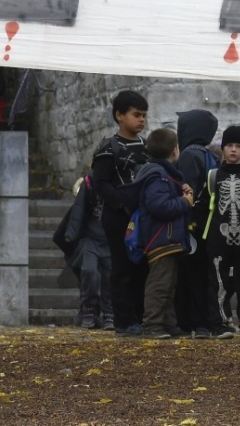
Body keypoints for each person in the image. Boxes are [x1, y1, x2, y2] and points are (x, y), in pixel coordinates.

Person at [91, 90, 150, 337]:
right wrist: (123, 205)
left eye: (144, 116)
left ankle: (141, 316)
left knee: (142, 266)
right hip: (117, 217)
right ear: (119, 115)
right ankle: (124, 321)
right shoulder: (108, 148)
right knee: (122, 266)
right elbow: (100, 183)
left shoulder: (147, 148)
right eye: (136, 115)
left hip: (143, 217)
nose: (142, 120)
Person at [134, 128, 195, 340]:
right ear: (175, 150)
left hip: (167, 239)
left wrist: (180, 191)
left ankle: (168, 324)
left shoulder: (163, 174)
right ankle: (153, 324)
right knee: (159, 284)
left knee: (169, 285)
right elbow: (159, 206)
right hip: (161, 238)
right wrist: (184, 202)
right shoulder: (158, 175)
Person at [203, 125, 240, 338]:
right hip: (218, 237)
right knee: (219, 282)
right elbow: (202, 204)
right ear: (224, 148)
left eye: (239, 146)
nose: (234, 150)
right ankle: (218, 323)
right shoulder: (213, 176)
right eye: (229, 145)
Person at [175, 109, 219, 338]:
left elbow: (187, 190)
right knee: (204, 274)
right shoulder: (210, 155)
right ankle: (205, 321)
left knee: (189, 274)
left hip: (192, 224)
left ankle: (190, 321)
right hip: (209, 224)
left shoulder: (189, 155)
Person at [61, 174, 113, 330]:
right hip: (90, 238)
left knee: (109, 275)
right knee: (89, 271)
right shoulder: (89, 183)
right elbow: (78, 209)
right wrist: (71, 232)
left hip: (109, 238)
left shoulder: (118, 181)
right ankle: (88, 309)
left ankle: (109, 311)